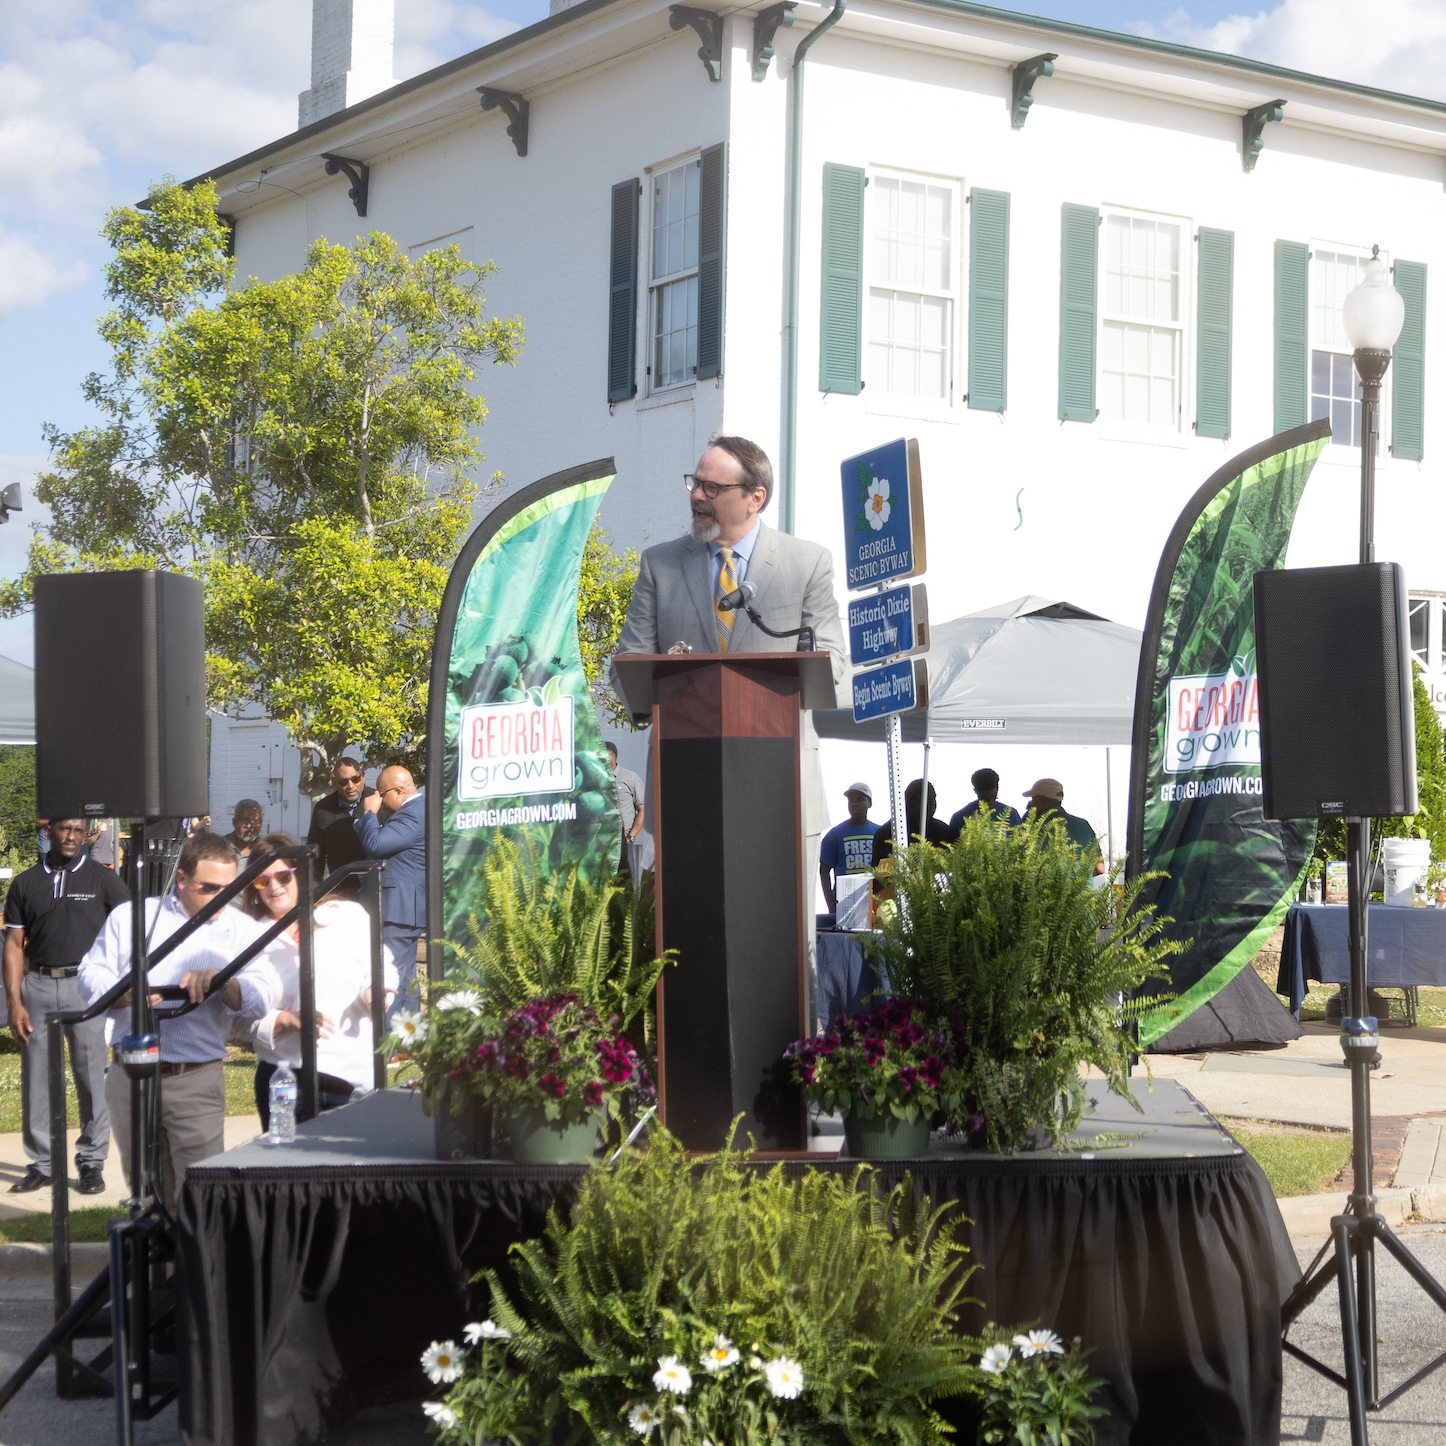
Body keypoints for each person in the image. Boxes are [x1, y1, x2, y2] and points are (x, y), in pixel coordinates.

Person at [78, 832, 273, 1212]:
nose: (220, 897)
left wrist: (223, 981)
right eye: (209, 887)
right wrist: (128, 991)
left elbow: (261, 996)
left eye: (229, 888)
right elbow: (90, 974)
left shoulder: (243, 929)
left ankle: (197, 1270)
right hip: (131, 1074)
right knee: (146, 1192)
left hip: (195, 1078)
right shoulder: (133, 916)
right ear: (181, 879)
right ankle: (160, 1268)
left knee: (200, 1194)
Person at [4, 820, 131, 1194]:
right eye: (64, 829)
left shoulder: (104, 880)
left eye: (79, 830)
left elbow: (130, 931)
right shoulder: (26, 882)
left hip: (86, 987)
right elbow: (13, 944)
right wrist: (14, 1002)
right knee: (37, 1079)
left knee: (91, 1076)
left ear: (88, 833)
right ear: (50, 832)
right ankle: (42, 1163)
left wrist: (121, 986)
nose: (72, 836)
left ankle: (91, 1161)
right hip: (38, 986)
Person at [239, 833, 398, 1125]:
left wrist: (376, 990)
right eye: (263, 880)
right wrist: (285, 1020)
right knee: (288, 1166)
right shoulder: (249, 938)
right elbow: (238, 1015)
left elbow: (382, 962)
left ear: (300, 874)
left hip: (352, 1074)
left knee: (352, 1166)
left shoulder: (347, 916)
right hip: (284, 1075)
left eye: (283, 877)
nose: (274, 887)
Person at [355, 765, 425, 1025]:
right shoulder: (421, 810)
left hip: (398, 907)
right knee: (405, 977)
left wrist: (370, 813)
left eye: (381, 794)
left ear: (398, 791)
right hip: (408, 907)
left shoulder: (410, 816)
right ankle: (409, 1041)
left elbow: (376, 844)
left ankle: (391, 1046)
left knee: (389, 976)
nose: (379, 800)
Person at [307, 757, 376, 899]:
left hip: (375, 887)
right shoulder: (323, 809)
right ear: (334, 783)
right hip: (342, 890)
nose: (350, 785)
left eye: (355, 779)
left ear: (363, 777)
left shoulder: (378, 801)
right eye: (343, 781)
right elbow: (315, 857)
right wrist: (314, 894)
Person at [1022, 778, 1105, 876]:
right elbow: (1100, 868)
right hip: (1083, 890)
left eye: (1033, 799)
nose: (1031, 804)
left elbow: (1023, 867)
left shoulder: (1036, 828)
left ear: (1042, 800)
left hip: (1047, 890)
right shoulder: (1084, 825)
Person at [818, 782, 879, 914]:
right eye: (851, 800)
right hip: (844, 905)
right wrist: (831, 906)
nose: (855, 804)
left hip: (874, 903)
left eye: (860, 800)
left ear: (870, 803)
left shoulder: (880, 833)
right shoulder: (834, 835)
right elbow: (823, 871)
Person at [870, 780, 957, 867]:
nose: (931, 803)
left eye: (933, 798)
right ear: (910, 800)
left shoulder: (944, 832)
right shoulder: (889, 832)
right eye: (925, 798)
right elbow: (881, 874)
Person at [606, 743, 645, 880]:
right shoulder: (596, 779)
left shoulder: (630, 778)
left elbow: (642, 809)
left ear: (613, 756)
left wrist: (631, 837)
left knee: (626, 884)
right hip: (602, 842)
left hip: (624, 842)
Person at [948, 768, 1022, 832]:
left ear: (997, 789)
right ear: (976, 791)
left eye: (993, 797)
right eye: (984, 799)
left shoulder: (1011, 815)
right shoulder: (960, 818)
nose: (989, 802)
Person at [224, 800, 264, 866]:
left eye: (255, 821)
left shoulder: (265, 851)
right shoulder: (220, 847)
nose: (249, 826)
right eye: (244, 821)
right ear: (234, 822)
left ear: (261, 823)